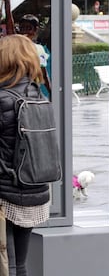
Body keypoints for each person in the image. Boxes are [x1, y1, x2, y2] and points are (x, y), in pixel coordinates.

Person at [0, 34, 50, 276]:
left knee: (6, 264)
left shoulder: (2, 99)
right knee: (19, 264)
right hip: (33, 190)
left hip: (5, 194)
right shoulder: (39, 96)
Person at [3, 0, 51, 100]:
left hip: (31, 94)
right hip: (14, 93)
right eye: (22, 28)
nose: (24, 32)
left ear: (35, 30)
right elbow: (9, 20)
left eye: (28, 28)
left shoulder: (38, 49)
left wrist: (51, 93)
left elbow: (44, 76)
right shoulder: (15, 45)